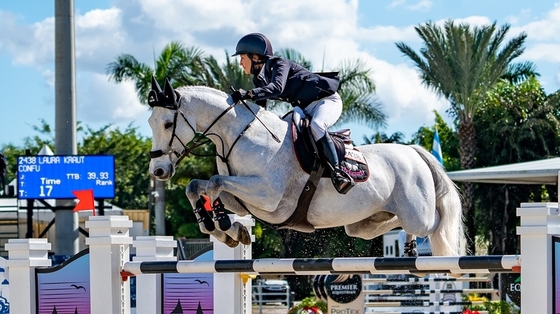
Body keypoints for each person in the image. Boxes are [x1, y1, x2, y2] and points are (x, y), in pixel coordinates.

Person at [230, 33, 354, 194]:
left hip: (326, 101)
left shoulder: (278, 63)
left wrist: (248, 94)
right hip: (304, 108)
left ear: (255, 57)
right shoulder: (259, 80)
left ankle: (338, 172)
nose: (240, 63)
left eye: (242, 58)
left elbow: (277, 88)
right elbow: (261, 112)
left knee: (317, 125)